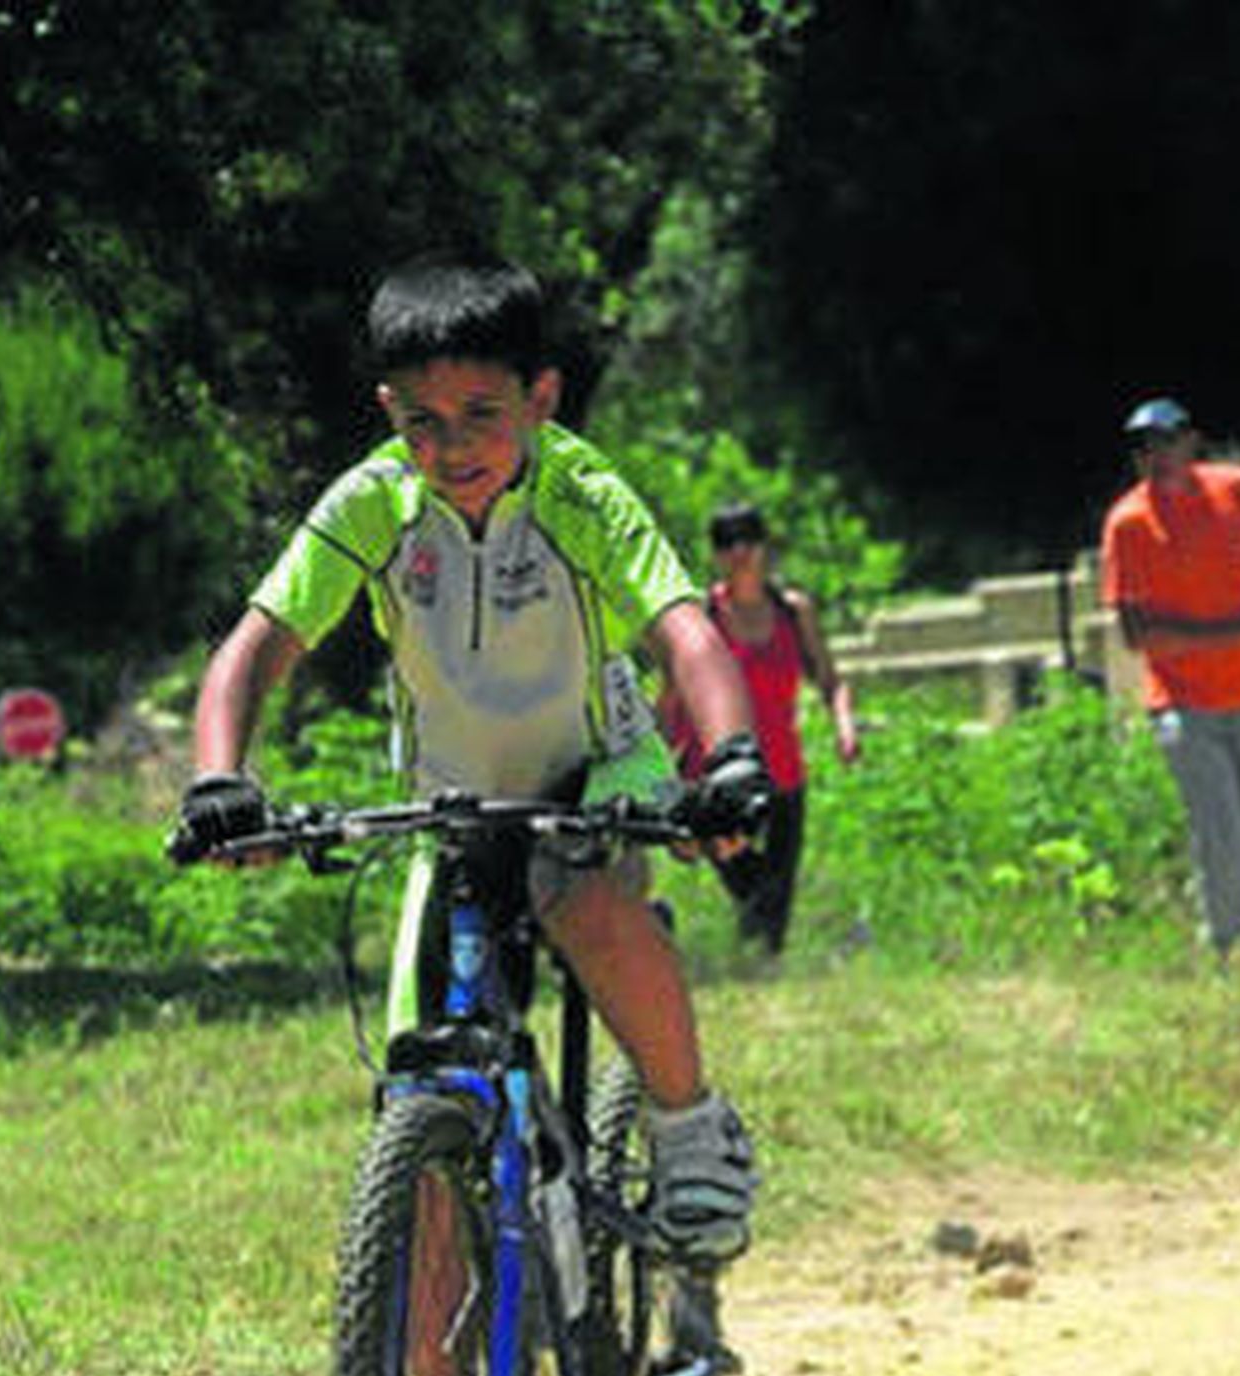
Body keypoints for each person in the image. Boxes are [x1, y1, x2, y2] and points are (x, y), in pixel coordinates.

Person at [173, 256, 769, 1262]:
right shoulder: (374, 501)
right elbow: (254, 648)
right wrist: (219, 778)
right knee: (423, 1087)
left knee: (577, 897)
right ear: (386, 409)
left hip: (593, 771)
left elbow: (684, 632)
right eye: (422, 420)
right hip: (451, 805)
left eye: (481, 413)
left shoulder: (579, 490)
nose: (451, 446)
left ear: (541, 397)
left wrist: (735, 757)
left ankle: (690, 1126)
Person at [1100, 397, 1240, 967]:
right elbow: (1139, 634)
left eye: (1167, 440)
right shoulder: (1129, 523)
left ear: (1192, 441)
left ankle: (1237, 921)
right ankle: (1230, 944)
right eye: (1144, 447)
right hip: (1185, 708)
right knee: (1223, 829)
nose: (1157, 455)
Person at [660, 503, 859, 954]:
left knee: (778, 888)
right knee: (747, 879)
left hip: (784, 771)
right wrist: (657, 768)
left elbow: (829, 679)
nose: (739, 553)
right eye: (726, 543)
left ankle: (766, 969)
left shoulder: (793, 612)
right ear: (716, 554)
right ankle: (759, 962)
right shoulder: (703, 618)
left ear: (766, 547)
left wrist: (844, 727)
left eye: (748, 540)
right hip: (715, 774)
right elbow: (672, 698)